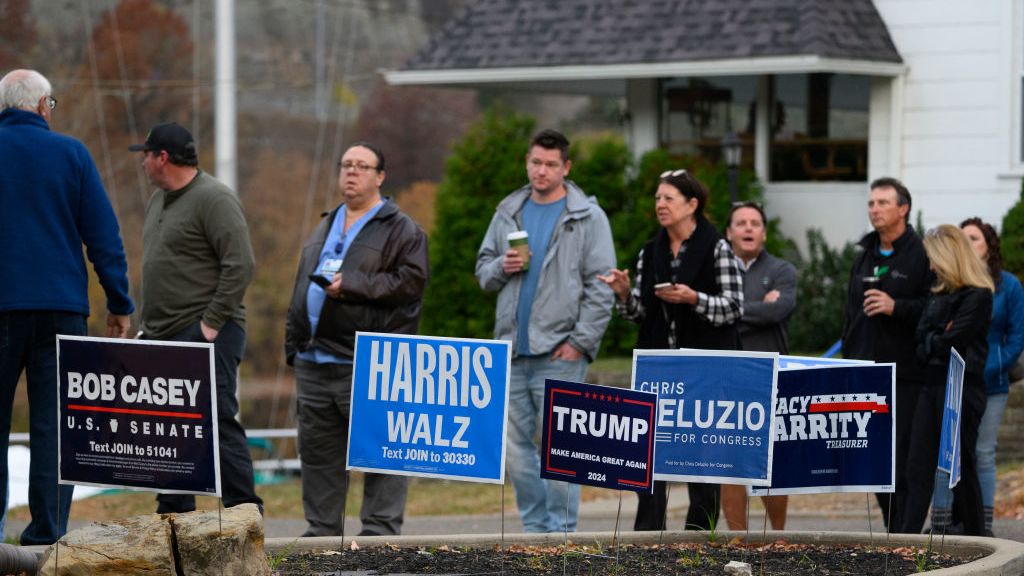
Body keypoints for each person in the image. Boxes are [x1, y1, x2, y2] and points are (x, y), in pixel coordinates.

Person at [0, 69, 134, 545]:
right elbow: (103, 237)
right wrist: (119, 302)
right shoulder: (71, 154)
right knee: (56, 428)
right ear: (41, 107)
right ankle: (46, 538)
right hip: (61, 311)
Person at [285, 142, 428, 537]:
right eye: (346, 164)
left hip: (366, 362)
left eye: (362, 166)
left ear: (380, 177)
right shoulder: (326, 222)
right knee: (317, 456)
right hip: (314, 361)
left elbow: (411, 283)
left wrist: (353, 285)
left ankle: (379, 534)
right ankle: (321, 533)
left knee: (381, 450)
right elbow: (301, 286)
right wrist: (293, 343)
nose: (351, 172)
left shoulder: (403, 229)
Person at [476, 129, 615, 533]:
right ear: (527, 162)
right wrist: (501, 266)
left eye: (551, 164)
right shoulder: (507, 212)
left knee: (562, 450)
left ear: (566, 168)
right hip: (511, 351)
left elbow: (601, 285)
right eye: (536, 162)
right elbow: (483, 273)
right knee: (516, 454)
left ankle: (563, 534)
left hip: (562, 353)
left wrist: (580, 343)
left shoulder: (588, 216)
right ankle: (536, 533)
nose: (542, 170)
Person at [598, 169, 743, 531]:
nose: (660, 205)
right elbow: (640, 314)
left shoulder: (717, 247)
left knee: (703, 461)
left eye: (668, 199)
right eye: (657, 198)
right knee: (648, 457)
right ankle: (646, 537)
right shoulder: (651, 250)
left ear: (692, 205)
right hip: (659, 370)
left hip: (706, 371)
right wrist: (623, 294)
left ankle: (699, 537)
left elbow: (734, 306)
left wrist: (693, 298)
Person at [131, 122, 263, 515]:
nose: (143, 164)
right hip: (162, 333)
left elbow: (240, 264)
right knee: (170, 425)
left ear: (163, 158)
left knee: (217, 418)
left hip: (207, 331)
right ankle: (174, 511)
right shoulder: (158, 199)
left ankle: (244, 511)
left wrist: (209, 324)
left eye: (146, 156)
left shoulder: (214, 198)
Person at [841, 177, 931, 532]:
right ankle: (892, 527)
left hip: (906, 372)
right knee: (873, 458)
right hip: (864, 369)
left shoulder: (922, 254)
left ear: (903, 209)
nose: (874, 209)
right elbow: (850, 311)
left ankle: (904, 534)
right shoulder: (865, 254)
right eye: (871, 203)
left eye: (882, 203)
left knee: (905, 458)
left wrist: (897, 307)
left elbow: (933, 308)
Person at [929, 218, 1024, 536]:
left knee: (982, 453)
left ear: (989, 246)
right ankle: (942, 522)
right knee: (946, 453)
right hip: (954, 380)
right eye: (963, 238)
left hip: (991, 382)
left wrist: (988, 366)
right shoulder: (950, 285)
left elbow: (1016, 337)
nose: (968, 244)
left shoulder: (1007, 285)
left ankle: (981, 524)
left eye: (975, 238)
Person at [900, 224, 993, 535]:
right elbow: (923, 340)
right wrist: (937, 337)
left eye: (934, 258)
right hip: (931, 384)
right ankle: (906, 537)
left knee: (961, 467)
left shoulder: (978, 296)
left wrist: (935, 338)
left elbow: (948, 342)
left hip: (962, 388)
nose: (930, 266)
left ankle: (978, 536)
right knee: (917, 464)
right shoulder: (937, 294)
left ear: (949, 256)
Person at [721, 201, 796, 531]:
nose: (748, 228)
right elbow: (705, 316)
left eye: (755, 223)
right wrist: (754, 310)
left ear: (764, 233)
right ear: (729, 233)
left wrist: (727, 311)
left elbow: (777, 312)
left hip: (769, 376)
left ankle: (777, 535)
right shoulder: (717, 271)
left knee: (771, 463)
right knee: (731, 463)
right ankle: (737, 539)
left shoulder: (782, 270)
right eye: (741, 223)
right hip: (725, 377)